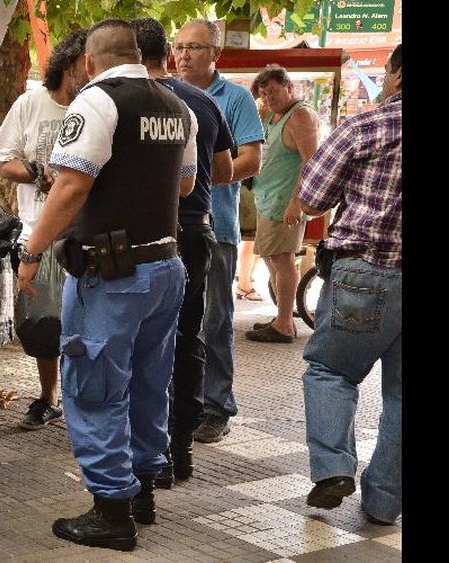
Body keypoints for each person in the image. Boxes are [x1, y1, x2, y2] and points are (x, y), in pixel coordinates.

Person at [17, 19, 197, 551]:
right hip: (165, 266)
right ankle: (143, 488)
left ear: (87, 63)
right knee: (147, 379)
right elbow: (184, 183)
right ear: (138, 54)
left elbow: (72, 185)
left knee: (94, 385)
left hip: (111, 272)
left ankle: (112, 511)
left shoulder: (98, 102)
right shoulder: (176, 106)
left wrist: (31, 254)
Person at [298, 44, 402, 527]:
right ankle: (383, 502)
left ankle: (335, 467)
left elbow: (312, 196)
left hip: (365, 270)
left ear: (397, 75)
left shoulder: (365, 127)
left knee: (330, 371)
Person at [130, 17, 233, 488]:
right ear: (167, 54)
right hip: (195, 231)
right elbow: (226, 168)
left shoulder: (117, 102)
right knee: (186, 337)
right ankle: (180, 449)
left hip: (144, 237)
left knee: (140, 345)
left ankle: (147, 457)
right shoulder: (202, 103)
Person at [0, 29, 88, 431]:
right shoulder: (30, 103)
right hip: (38, 232)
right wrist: (36, 171)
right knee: (43, 324)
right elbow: (3, 161)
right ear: (69, 67)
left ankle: (83, 401)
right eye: (88, 64)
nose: (95, 71)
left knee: (85, 323)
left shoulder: (99, 106)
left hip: (87, 233)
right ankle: (48, 397)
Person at [174, 19, 263, 444]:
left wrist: (203, 174)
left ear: (216, 53)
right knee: (174, 319)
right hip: (168, 229)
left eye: (194, 47)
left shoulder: (235, 98)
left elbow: (251, 160)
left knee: (215, 319)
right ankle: (181, 401)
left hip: (217, 227)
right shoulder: (166, 94)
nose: (184, 55)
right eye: (179, 46)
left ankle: (217, 405)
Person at [245, 66, 319, 343]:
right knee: (273, 261)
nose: (268, 98)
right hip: (268, 200)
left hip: (284, 204)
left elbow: (311, 163)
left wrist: (296, 204)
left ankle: (285, 324)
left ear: (289, 87)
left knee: (283, 260)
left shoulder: (300, 116)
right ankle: (281, 317)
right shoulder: (273, 115)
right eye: (264, 94)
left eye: (273, 91)